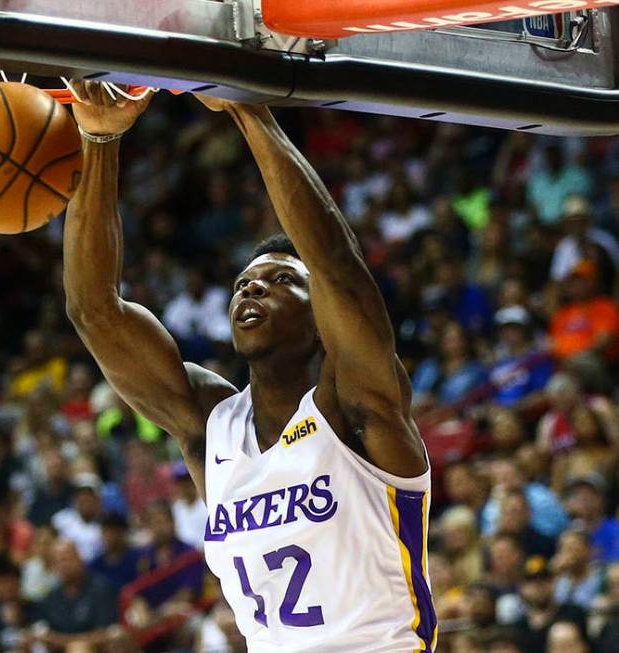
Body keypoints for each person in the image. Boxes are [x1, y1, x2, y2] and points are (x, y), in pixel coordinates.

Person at [63, 82, 435, 651]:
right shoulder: (210, 423)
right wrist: (99, 136)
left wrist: (245, 104)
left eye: (283, 280)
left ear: (323, 319)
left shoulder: (356, 403)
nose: (253, 285)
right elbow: (94, 310)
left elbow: (334, 262)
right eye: (243, 282)